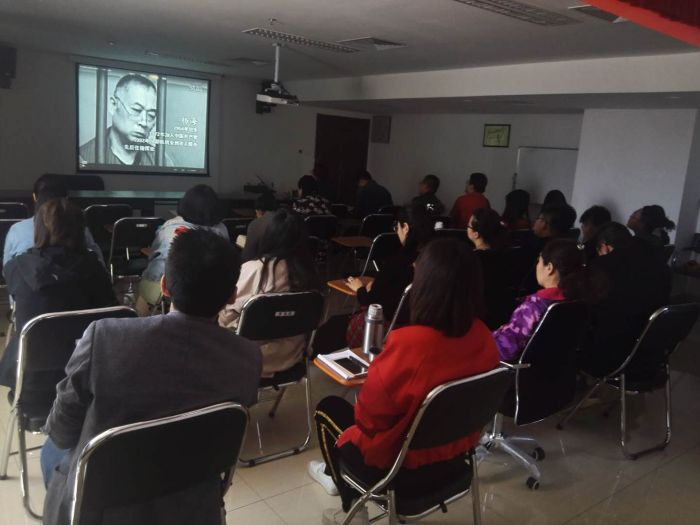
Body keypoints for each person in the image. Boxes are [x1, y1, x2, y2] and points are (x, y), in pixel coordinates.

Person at [40, 229, 262, 525]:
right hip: (193, 499)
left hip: (102, 503)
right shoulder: (248, 358)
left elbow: (61, 429)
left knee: (52, 449)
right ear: (232, 295)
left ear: (165, 285)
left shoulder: (105, 337)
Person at [309, 239, 499, 524]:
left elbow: (367, 421)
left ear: (424, 287)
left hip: (400, 468)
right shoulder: (485, 337)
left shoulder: (408, 345)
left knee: (328, 409)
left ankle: (352, 505)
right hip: (457, 458)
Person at [0, 198, 117, 390]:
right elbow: (112, 312)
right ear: (81, 229)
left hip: (31, 383)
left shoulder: (16, 267)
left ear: (38, 229)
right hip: (90, 380)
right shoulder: (94, 267)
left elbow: (18, 302)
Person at [219, 208, 320, 377]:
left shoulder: (254, 269)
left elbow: (229, 312)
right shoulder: (309, 275)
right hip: (292, 356)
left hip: (246, 356)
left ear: (267, 237)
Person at [579, 222, 671, 378]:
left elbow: (588, 308)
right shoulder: (662, 268)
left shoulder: (602, 266)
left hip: (609, 357)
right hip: (652, 357)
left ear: (605, 247)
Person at [344, 204, 435, 346]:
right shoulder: (436, 260)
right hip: (421, 329)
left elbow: (369, 300)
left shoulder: (397, 262)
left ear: (405, 227)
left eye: (397, 227)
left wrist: (359, 288)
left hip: (387, 330)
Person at [137, 184, 228, 315]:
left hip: (168, 289)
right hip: (209, 291)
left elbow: (154, 255)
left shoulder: (169, 227)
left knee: (150, 280)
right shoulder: (222, 230)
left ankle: (140, 321)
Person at [493, 238, 589, 361]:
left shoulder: (533, 307)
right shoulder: (582, 299)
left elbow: (505, 350)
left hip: (524, 369)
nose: (537, 266)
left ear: (549, 267)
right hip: (562, 367)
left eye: (539, 261)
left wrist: (493, 336)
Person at [3, 174, 104, 269]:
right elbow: (100, 264)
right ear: (66, 198)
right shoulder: (81, 230)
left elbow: (6, 269)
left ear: (34, 197)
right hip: (75, 281)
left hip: (28, 281)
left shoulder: (17, 230)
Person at [79, 73, 173, 167]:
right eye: (136, 110)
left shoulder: (162, 161)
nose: (144, 122)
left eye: (151, 115)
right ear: (113, 105)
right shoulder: (84, 158)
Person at [467, 208, 514, 329]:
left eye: (468, 226)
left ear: (476, 234)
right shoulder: (507, 254)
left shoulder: (472, 259)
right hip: (501, 313)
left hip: (477, 317)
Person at [518, 204, 577, 294]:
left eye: (538, 218)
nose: (534, 221)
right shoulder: (572, 247)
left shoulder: (538, 247)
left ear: (544, 224)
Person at [241, 191, 278, 262]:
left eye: (256, 213)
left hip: (263, 264)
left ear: (259, 211)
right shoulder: (285, 219)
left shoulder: (255, 224)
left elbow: (248, 255)